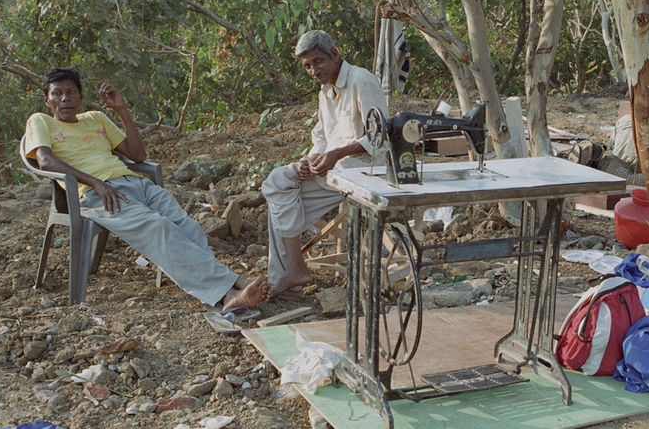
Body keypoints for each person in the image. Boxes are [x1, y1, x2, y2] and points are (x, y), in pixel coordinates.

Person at [24, 68, 269, 311]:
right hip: (97, 194)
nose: (64, 99)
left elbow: (138, 155)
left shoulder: (96, 118)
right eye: (57, 94)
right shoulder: (40, 120)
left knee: (187, 226)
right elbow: (45, 161)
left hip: (136, 184)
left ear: (79, 97)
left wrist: (121, 110)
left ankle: (229, 284)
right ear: (47, 100)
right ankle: (227, 295)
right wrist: (96, 182)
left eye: (70, 92)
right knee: (158, 227)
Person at [261, 30, 388, 298]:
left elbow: (380, 137)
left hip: (365, 170)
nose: (313, 71)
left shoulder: (361, 80)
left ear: (334, 54)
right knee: (279, 192)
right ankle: (291, 273)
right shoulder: (325, 91)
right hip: (335, 171)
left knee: (279, 192)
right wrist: (310, 160)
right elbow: (320, 136)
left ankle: (292, 272)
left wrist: (336, 155)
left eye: (318, 62)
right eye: (307, 66)